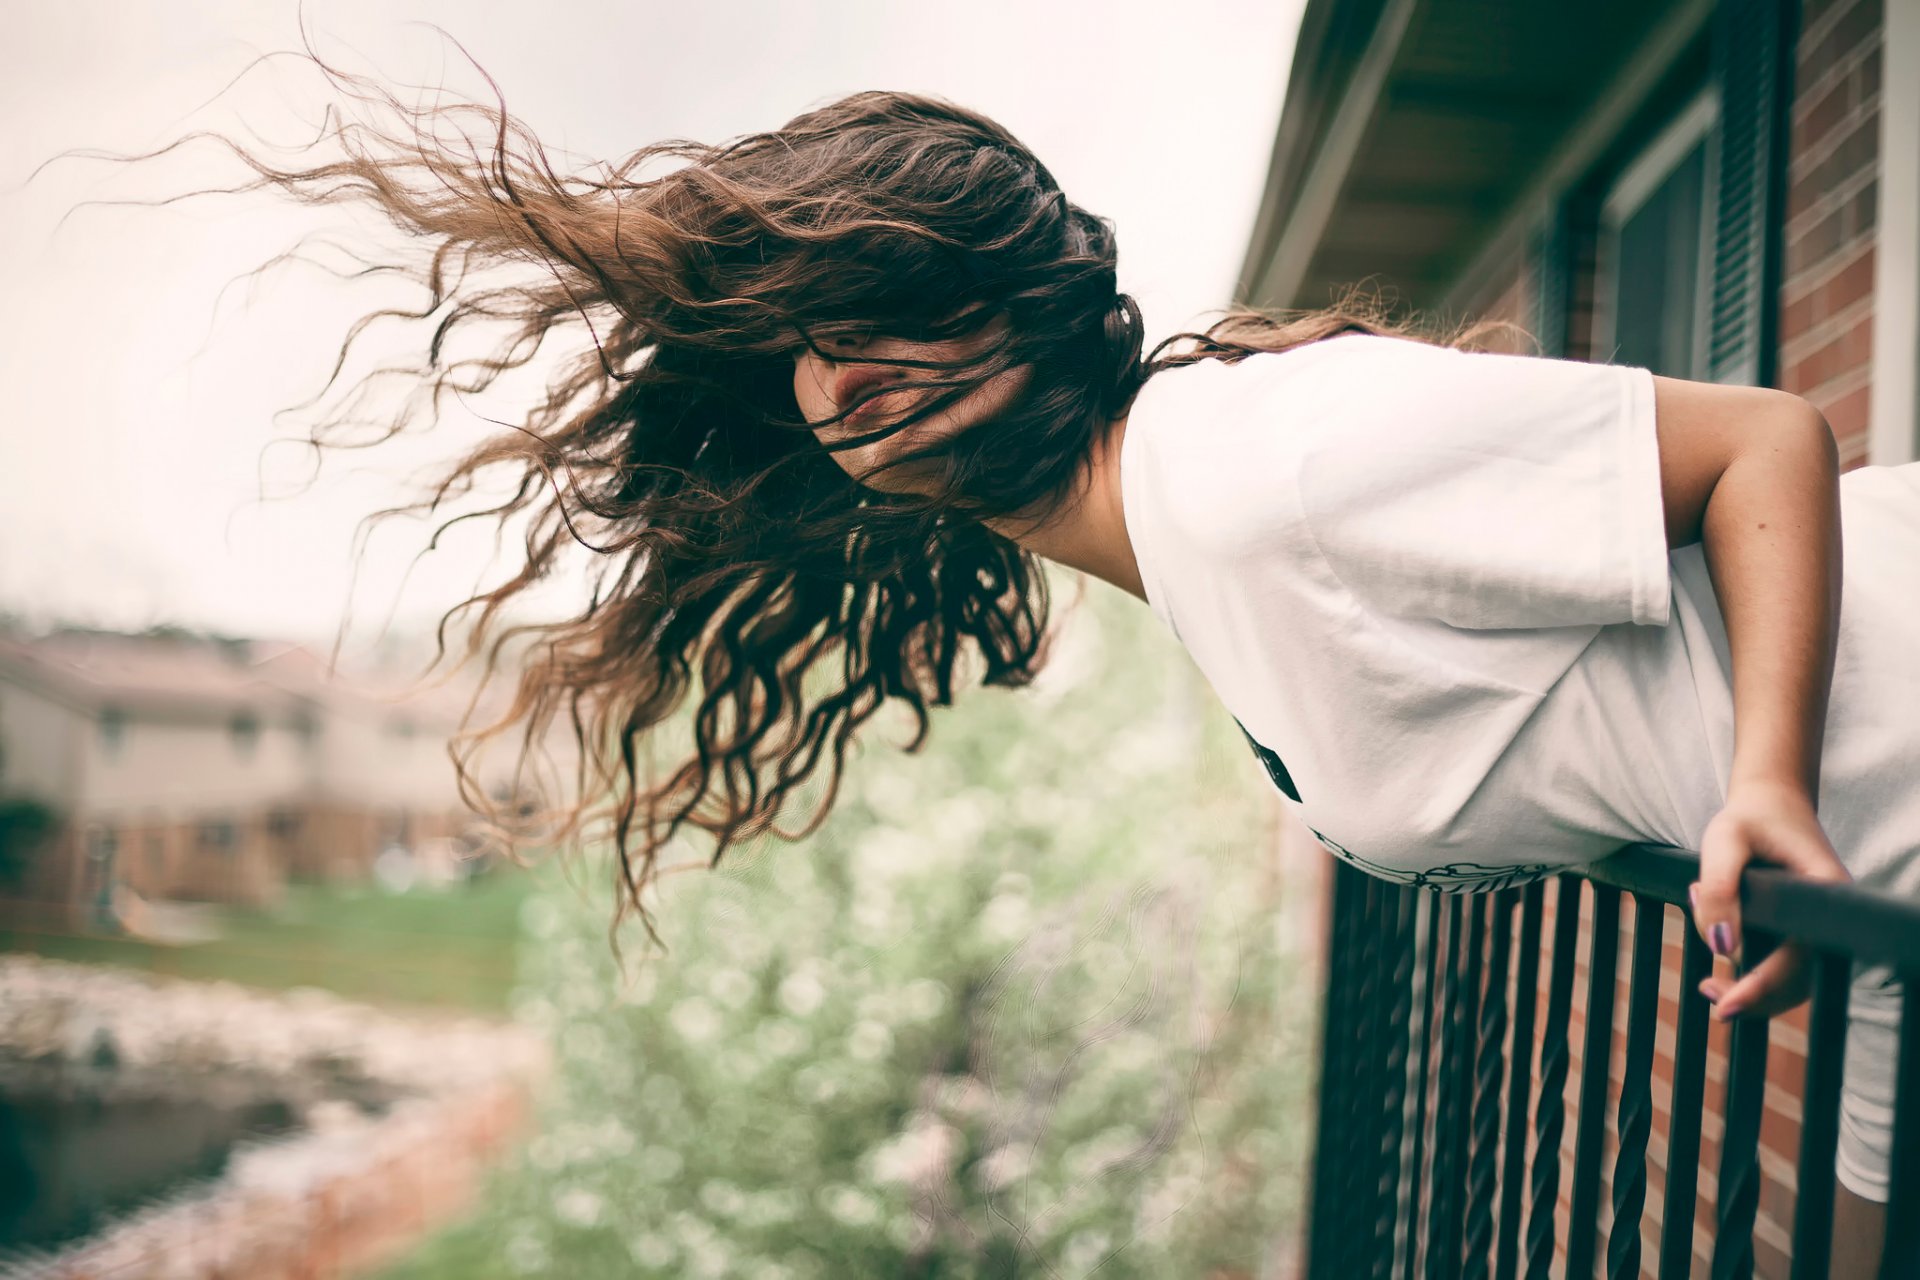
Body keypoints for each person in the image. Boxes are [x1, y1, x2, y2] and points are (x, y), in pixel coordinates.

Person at [92, 52, 1915, 1271]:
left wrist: (1752, 787)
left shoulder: (1259, 463)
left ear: (1033, 307)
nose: (838, 378)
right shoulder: (1198, 522)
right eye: (809, 337)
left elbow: (1761, 437)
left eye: (892, 311)